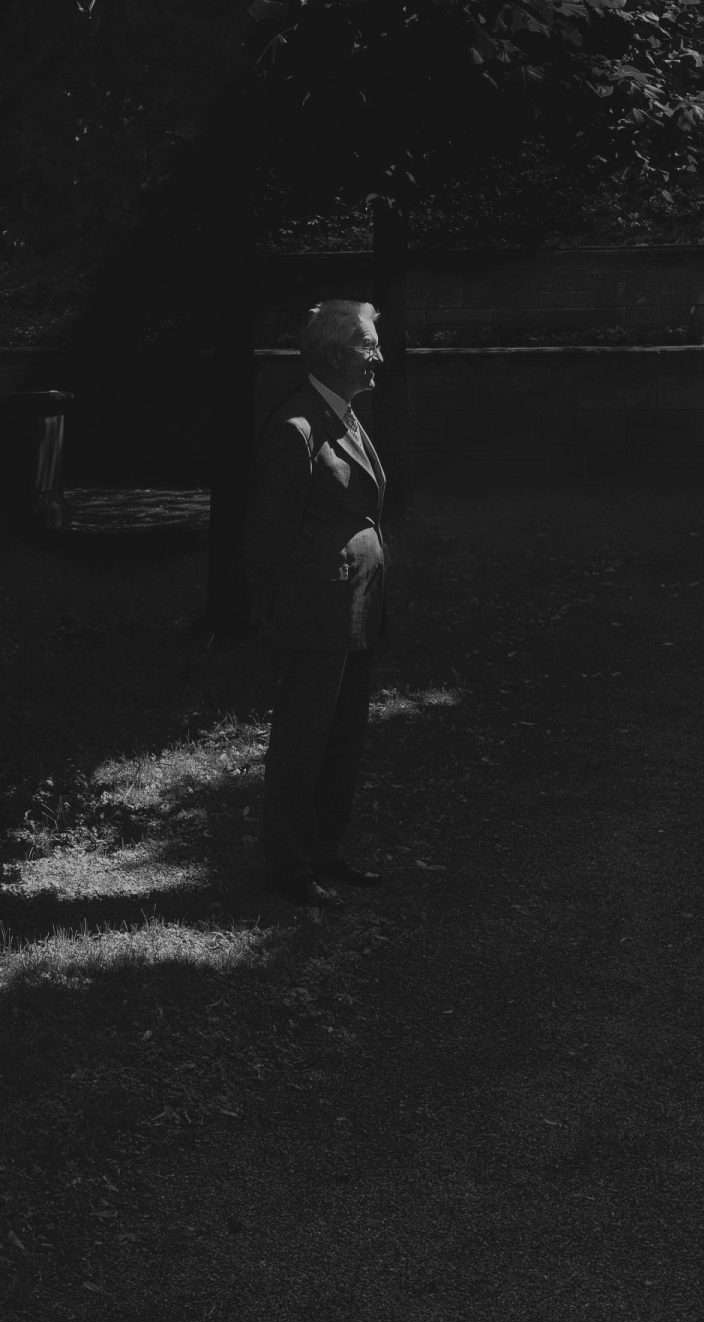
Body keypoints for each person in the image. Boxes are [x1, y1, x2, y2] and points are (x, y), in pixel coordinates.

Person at [242, 299, 390, 907]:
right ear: (332, 355)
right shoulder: (296, 428)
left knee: (342, 740)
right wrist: (274, 611)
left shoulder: (345, 416)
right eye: (367, 345)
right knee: (303, 742)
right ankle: (289, 868)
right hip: (315, 613)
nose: (378, 357)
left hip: (354, 610)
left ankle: (325, 851)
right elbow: (268, 533)